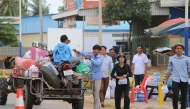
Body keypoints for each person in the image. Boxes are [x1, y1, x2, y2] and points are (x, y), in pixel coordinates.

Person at [73, 45, 104, 109]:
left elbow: (97, 63)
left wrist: (90, 58)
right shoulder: (92, 55)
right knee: (94, 94)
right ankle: (98, 107)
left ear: (99, 51)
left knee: (96, 94)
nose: (94, 51)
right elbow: (85, 54)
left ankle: (96, 108)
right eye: (94, 49)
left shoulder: (101, 57)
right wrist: (77, 51)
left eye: (96, 50)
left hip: (97, 78)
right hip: (92, 77)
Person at [164, 43, 190, 109]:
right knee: (175, 95)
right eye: (177, 48)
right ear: (175, 50)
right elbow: (169, 70)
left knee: (184, 96)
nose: (179, 50)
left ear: (183, 50)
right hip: (175, 79)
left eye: (180, 49)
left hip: (184, 79)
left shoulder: (187, 59)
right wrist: (166, 80)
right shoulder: (171, 59)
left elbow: (189, 68)